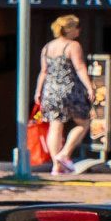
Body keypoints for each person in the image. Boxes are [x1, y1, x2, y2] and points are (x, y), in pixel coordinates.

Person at [37, 14, 93, 174]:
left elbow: (43, 72)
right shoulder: (73, 46)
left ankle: (56, 166)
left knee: (55, 126)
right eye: (77, 27)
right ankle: (64, 154)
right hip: (69, 90)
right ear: (70, 29)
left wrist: (38, 91)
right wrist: (89, 87)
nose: (79, 30)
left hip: (50, 91)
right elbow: (80, 67)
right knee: (83, 123)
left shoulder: (47, 47)